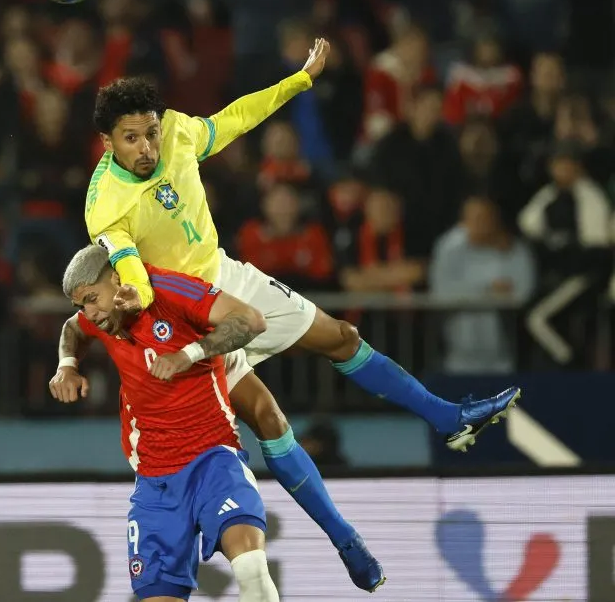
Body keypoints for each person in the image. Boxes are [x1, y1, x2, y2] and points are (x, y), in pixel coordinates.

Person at [74, 37, 521, 590]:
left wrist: (300, 79)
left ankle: (448, 418)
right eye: (131, 138)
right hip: (180, 313)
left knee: (341, 335)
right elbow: (131, 272)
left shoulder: (179, 134)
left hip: (225, 277)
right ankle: (346, 541)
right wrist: (135, 298)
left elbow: (233, 119)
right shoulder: (105, 205)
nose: (146, 146)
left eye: (150, 132)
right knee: (267, 416)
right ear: (107, 142)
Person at [50, 245, 281, 601]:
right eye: (82, 305)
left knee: (251, 570)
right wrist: (67, 364)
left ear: (117, 278)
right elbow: (73, 329)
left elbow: (252, 320)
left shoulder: (169, 291)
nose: (90, 313)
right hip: (155, 483)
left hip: (213, 460)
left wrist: (188, 355)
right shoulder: (101, 319)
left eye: (93, 299)